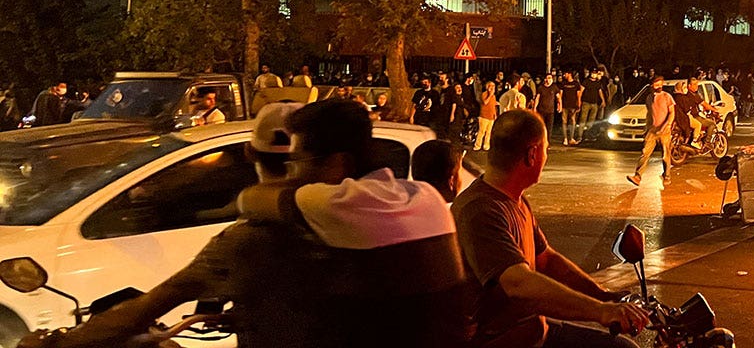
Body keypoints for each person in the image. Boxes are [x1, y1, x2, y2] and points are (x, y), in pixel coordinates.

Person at [16, 103, 342, 348]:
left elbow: (145, 309)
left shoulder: (250, 239)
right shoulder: (354, 222)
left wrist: (57, 343)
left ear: (248, 152)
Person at [238, 99, 470, 347]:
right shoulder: (427, 195)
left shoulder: (337, 203)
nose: (292, 173)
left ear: (338, 163)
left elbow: (248, 199)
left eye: (297, 161)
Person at [452, 111, 646, 347]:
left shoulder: (514, 200)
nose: (547, 155)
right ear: (532, 154)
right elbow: (518, 282)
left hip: (533, 330)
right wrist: (601, 312)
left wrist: (604, 295)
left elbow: (546, 259)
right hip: (505, 339)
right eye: (545, 148)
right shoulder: (480, 210)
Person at [627, 76, 675, 187]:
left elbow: (672, 112)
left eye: (661, 84)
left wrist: (667, 125)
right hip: (652, 130)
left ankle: (667, 176)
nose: (659, 86)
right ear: (652, 85)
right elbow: (649, 114)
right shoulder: (649, 98)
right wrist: (646, 129)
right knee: (645, 153)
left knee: (665, 155)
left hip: (665, 131)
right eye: (656, 84)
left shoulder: (667, 97)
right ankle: (637, 176)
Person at [580, 69, 606, 142]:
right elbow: (581, 91)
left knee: (591, 121)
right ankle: (580, 136)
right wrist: (579, 101)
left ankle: (588, 135)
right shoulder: (586, 81)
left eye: (595, 73)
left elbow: (600, 92)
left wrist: (603, 101)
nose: (594, 75)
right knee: (583, 120)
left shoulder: (598, 83)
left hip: (594, 104)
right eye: (593, 73)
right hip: (586, 103)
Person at [533, 75, 561, 141]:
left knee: (549, 128)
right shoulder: (541, 88)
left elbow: (558, 97)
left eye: (550, 78)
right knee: (541, 127)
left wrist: (560, 105)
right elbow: (537, 98)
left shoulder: (554, 87)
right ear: (545, 79)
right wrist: (534, 108)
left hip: (550, 111)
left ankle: (547, 141)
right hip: (541, 110)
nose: (548, 80)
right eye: (547, 78)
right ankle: (541, 140)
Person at [561, 71, 583, 145]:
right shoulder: (563, 83)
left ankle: (571, 138)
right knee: (564, 121)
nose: (564, 75)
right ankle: (565, 138)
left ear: (569, 74)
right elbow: (560, 94)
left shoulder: (576, 84)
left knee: (572, 121)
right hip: (564, 105)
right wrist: (560, 104)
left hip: (573, 105)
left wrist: (579, 104)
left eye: (565, 73)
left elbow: (578, 95)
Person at [475, 81, 498, 151]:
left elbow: (493, 106)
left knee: (489, 132)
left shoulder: (494, 96)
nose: (493, 87)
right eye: (491, 86)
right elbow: (485, 102)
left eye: (494, 86)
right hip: (484, 116)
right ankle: (477, 145)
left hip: (491, 117)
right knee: (481, 131)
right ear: (487, 87)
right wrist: (490, 95)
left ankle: (486, 146)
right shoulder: (484, 94)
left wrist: (495, 114)